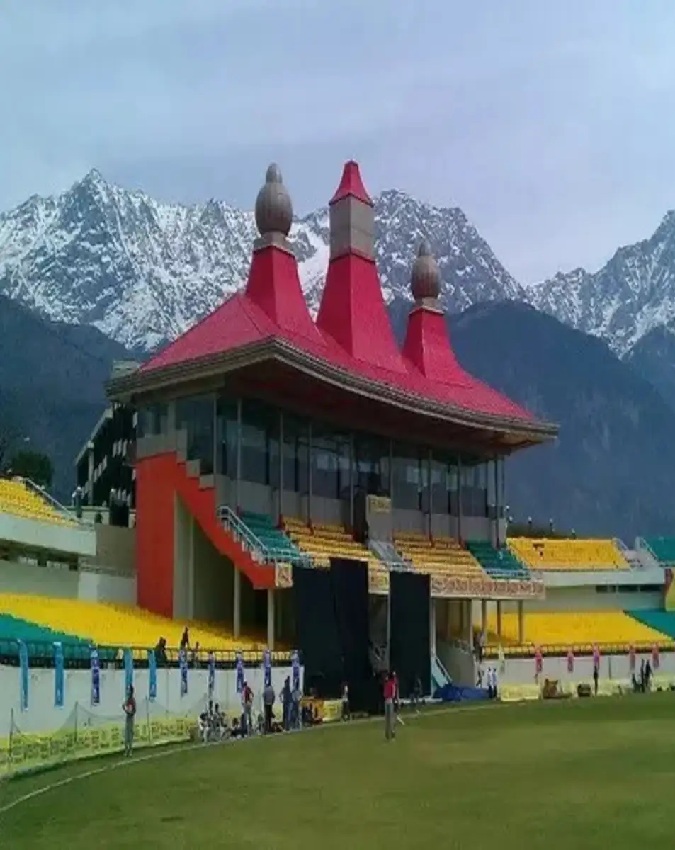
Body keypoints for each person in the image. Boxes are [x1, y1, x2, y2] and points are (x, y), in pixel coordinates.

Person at [123, 685, 136, 756]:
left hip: (130, 718)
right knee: (126, 734)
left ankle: (130, 750)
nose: (127, 691)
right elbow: (126, 707)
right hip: (128, 717)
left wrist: (128, 711)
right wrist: (125, 708)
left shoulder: (132, 700)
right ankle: (126, 750)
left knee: (130, 734)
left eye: (128, 690)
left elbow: (133, 711)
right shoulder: (128, 699)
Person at [383, 672, 396, 741]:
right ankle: (391, 734)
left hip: (387, 701)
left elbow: (385, 694)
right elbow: (393, 695)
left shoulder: (388, 684)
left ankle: (388, 735)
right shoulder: (391, 684)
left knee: (388, 719)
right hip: (390, 701)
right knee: (390, 719)